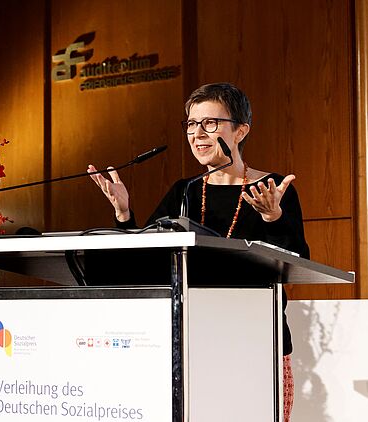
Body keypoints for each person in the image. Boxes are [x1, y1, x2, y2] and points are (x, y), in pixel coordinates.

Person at [87, 82, 309, 421]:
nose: (197, 134)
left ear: (241, 131)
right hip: (191, 343)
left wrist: (273, 217)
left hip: (256, 344)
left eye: (210, 123)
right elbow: (144, 260)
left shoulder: (272, 189)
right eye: (191, 124)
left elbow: (297, 261)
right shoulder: (185, 191)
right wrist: (124, 215)